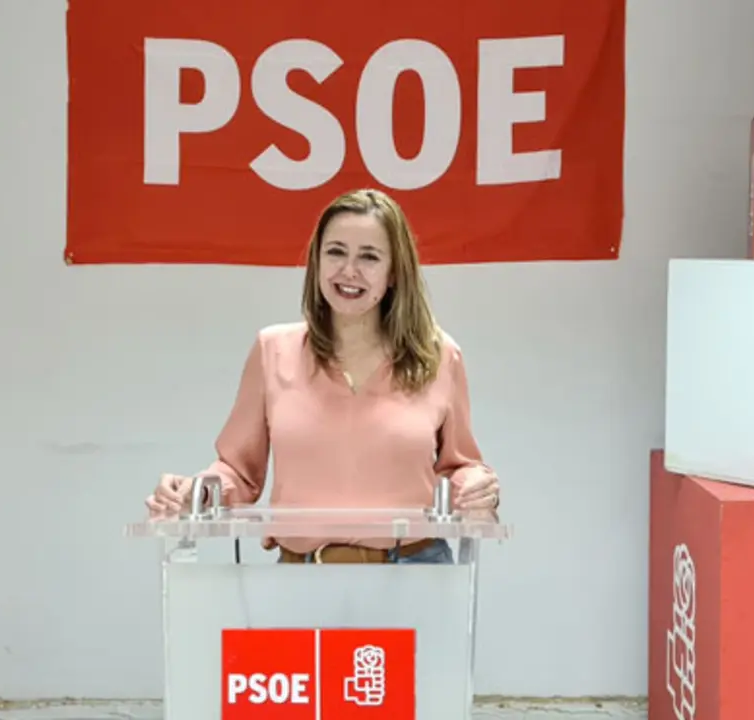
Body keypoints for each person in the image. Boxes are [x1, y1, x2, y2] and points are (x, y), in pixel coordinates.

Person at [145, 188, 500, 564]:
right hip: (303, 577)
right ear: (316, 261)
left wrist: (476, 488)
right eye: (335, 252)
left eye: (369, 256)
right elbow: (238, 472)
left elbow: (460, 466)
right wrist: (198, 492)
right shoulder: (272, 350)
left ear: (395, 271)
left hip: (416, 570)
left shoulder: (439, 355)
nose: (349, 270)